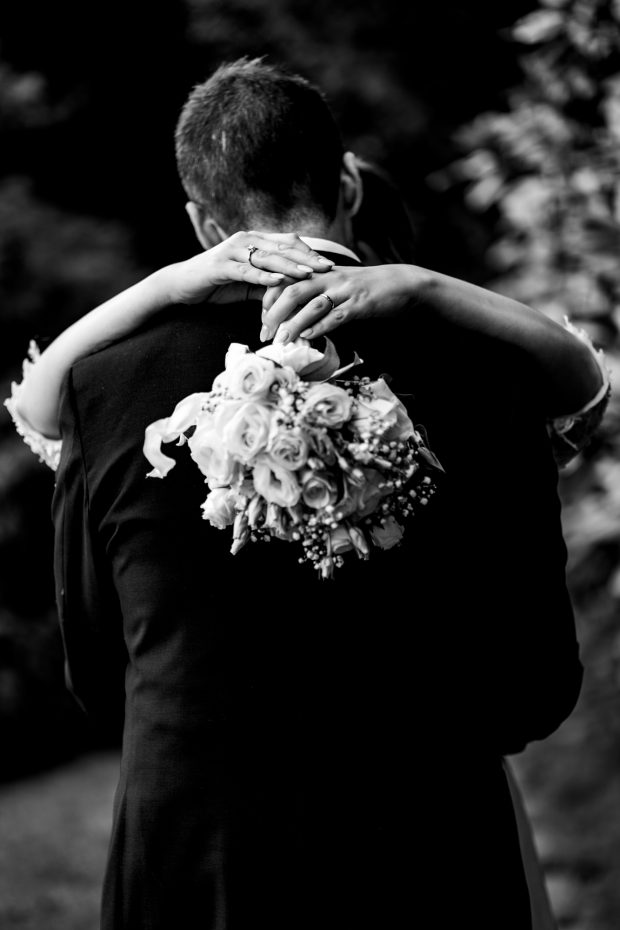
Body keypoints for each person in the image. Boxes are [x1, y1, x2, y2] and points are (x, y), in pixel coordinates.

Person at [5, 58, 610, 929]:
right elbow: (537, 680)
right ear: (348, 187)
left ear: (202, 223)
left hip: (196, 856)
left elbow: (99, 674)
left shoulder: (100, 394)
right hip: (431, 853)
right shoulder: (494, 372)